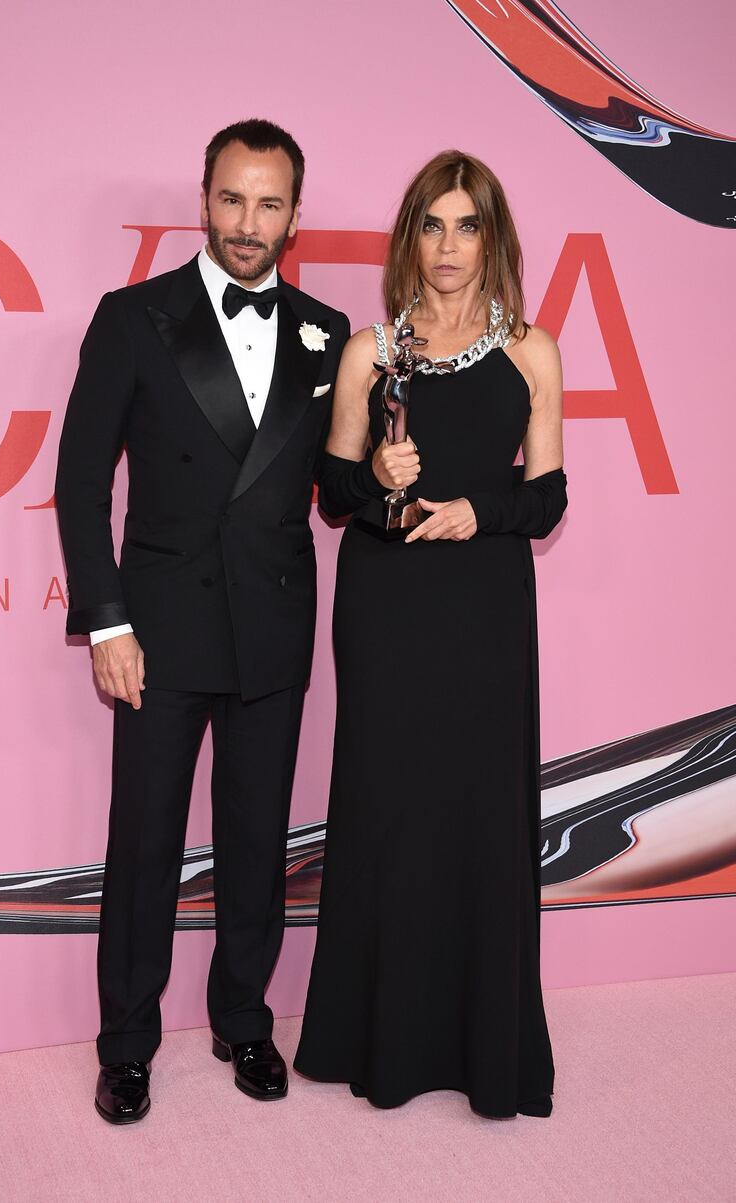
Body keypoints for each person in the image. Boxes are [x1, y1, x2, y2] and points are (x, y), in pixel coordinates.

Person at [55, 119, 350, 1123]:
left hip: (271, 625)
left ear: (294, 216)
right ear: (203, 198)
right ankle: (128, 1041)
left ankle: (243, 1020)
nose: (247, 222)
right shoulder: (135, 316)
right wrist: (106, 624)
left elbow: (338, 488)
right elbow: (80, 483)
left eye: (269, 204)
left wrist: (393, 481)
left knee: (256, 840)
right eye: (232, 199)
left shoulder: (329, 331)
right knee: (143, 843)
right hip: (160, 629)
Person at [294, 150, 566, 1118]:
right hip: (387, 608)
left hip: (485, 611)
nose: (448, 247)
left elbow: (544, 497)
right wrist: (378, 474)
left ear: (491, 237)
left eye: (467, 225)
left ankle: (484, 1047)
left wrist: (473, 514)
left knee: (478, 817)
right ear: (409, 235)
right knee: (387, 810)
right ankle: (378, 1040)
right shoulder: (371, 353)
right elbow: (330, 493)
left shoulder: (531, 349)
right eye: (431, 224)